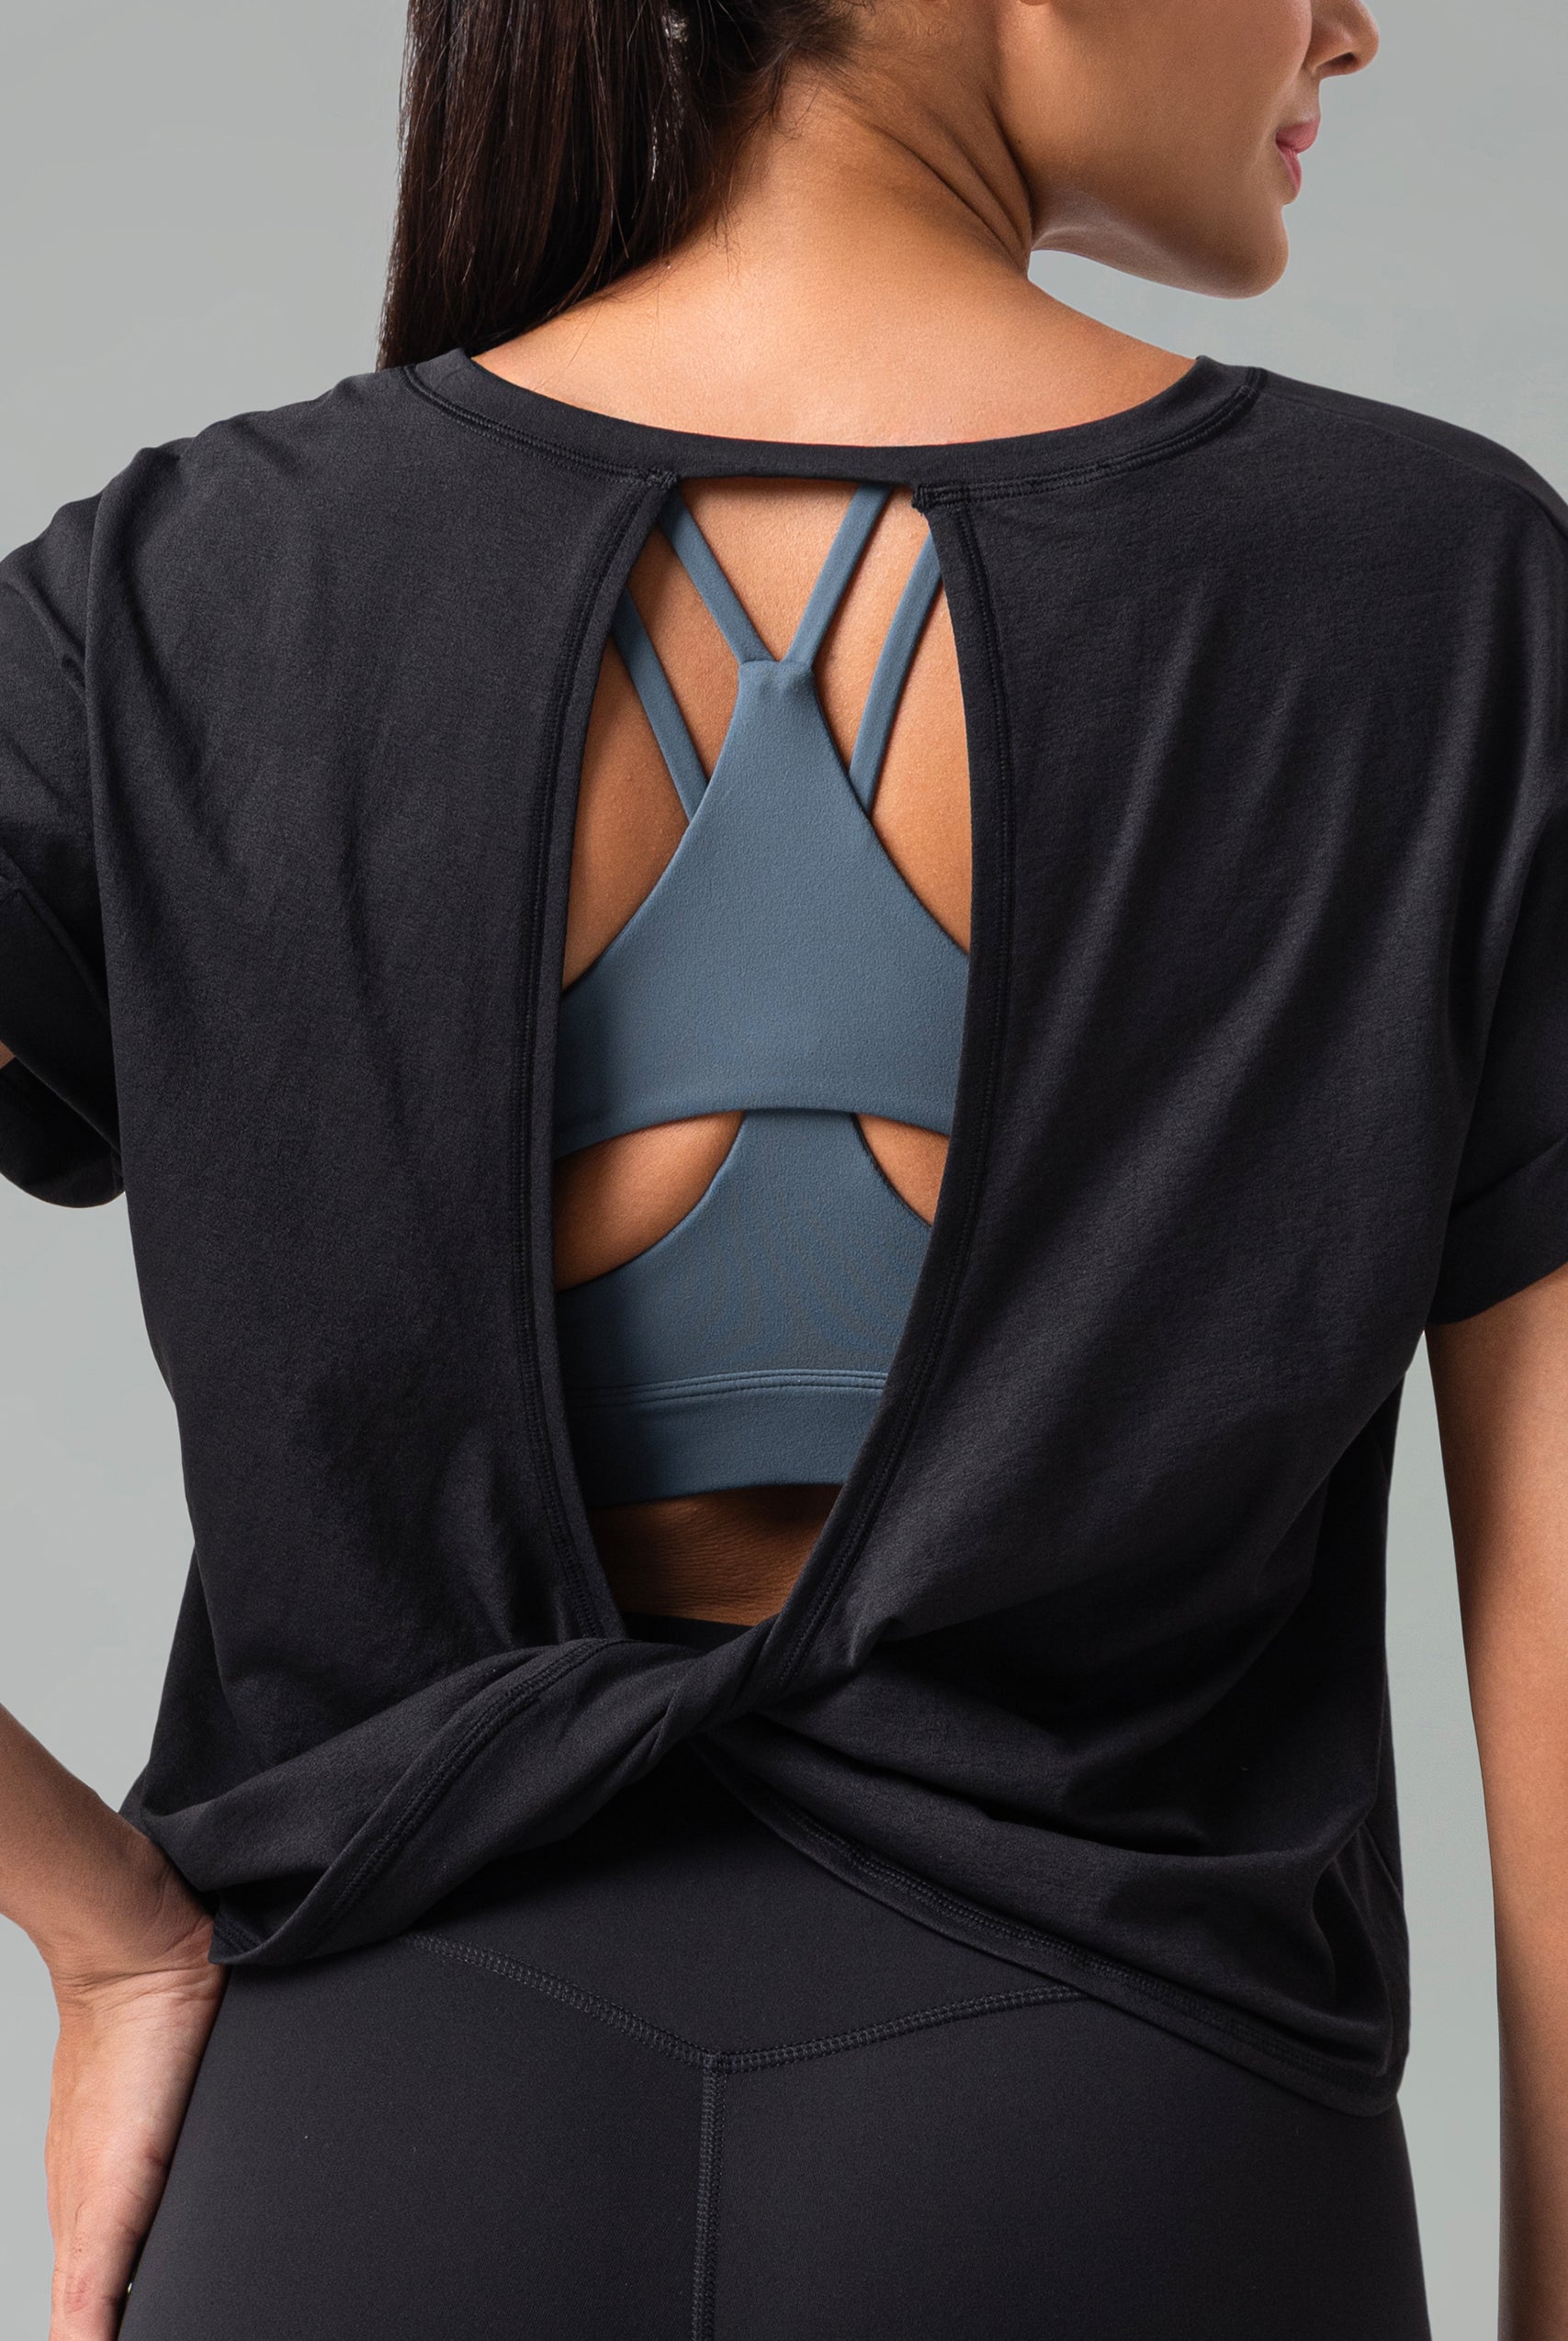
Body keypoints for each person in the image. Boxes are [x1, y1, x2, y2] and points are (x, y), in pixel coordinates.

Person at [4, 0, 1568, 2329]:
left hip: (363, 2164)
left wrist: (108, 1929)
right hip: (1128, 2178)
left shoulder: (183, 589)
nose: (1349, 23)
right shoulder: (1439, 595)